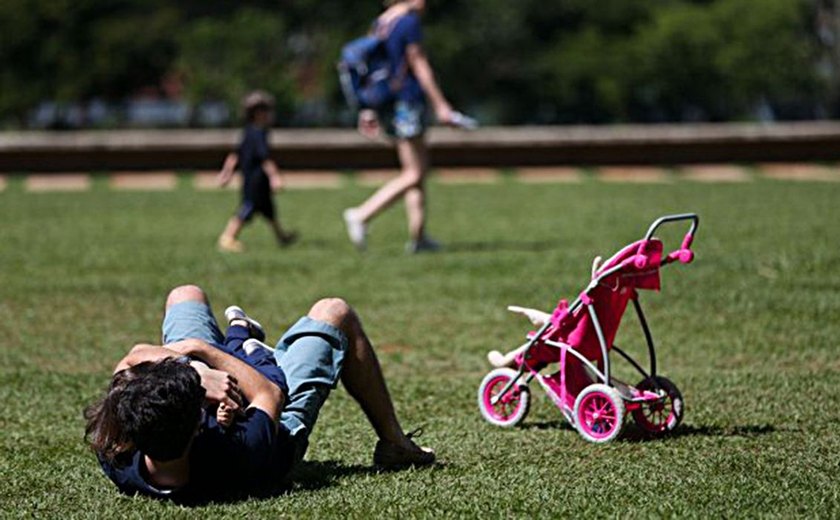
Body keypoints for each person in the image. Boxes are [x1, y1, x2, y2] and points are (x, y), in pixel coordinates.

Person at [84, 284, 434, 503]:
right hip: (275, 417)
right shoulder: (239, 452)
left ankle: (237, 338)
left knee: (185, 294)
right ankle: (395, 444)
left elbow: (131, 358)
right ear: (196, 426)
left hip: (204, 398)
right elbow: (268, 393)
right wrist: (201, 353)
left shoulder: (117, 449)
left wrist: (194, 372)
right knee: (334, 311)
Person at [342, 0, 460, 254]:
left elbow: (367, 68)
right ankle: (362, 215)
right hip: (407, 101)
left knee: (415, 170)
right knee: (414, 174)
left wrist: (367, 109)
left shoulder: (382, 22)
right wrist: (441, 105)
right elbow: (418, 63)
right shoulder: (408, 22)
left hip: (388, 103)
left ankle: (418, 237)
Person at [217, 91, 297, 253]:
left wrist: (226, 173)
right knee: (247, 208)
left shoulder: (249, 131)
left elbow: (234, 155)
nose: (270, 115)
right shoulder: (258, 134)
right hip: (255, 180)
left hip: (255, 180)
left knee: (269, 210)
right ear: (258, 113)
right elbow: (265, 159)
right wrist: (275, 177)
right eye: (267, 111)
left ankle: (281, 237)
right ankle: (227, 237)